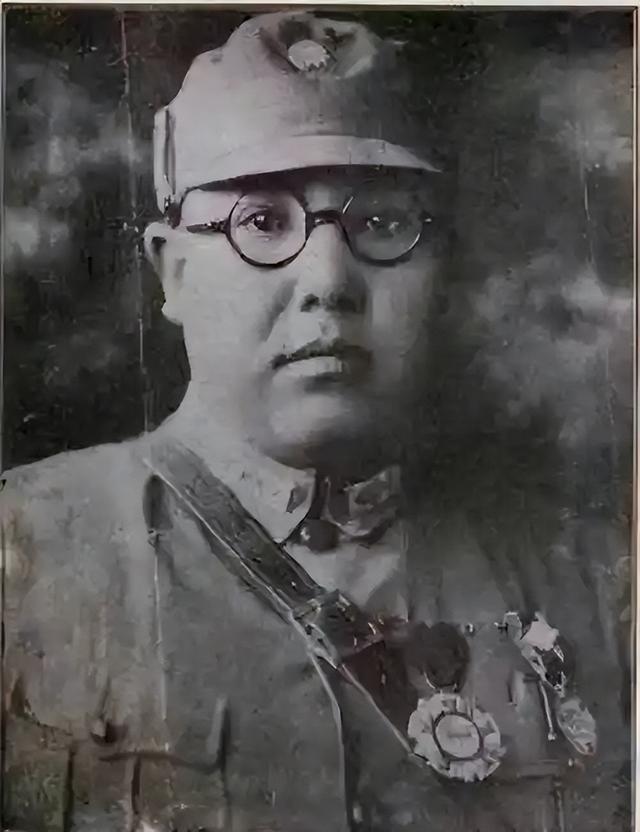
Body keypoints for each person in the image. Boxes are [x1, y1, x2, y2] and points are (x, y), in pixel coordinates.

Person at [1, 10, 630, 832]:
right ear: (174, 272)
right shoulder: (22, 557)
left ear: (444, 267)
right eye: (262, 222)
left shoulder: (597, 586)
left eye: (383, 224)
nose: (329, 280)